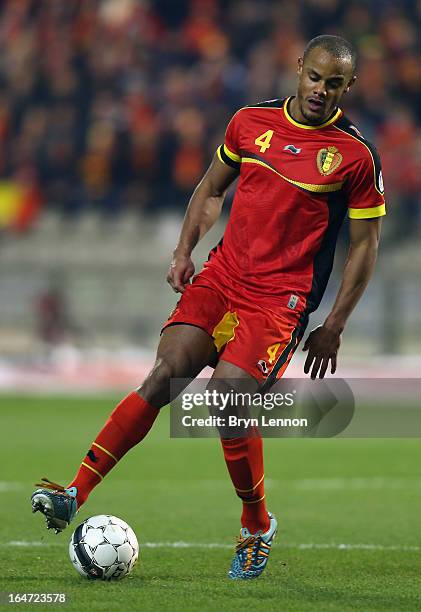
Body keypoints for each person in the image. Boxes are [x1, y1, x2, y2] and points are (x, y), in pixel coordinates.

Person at [31, 35, 385, 580]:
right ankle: (74, 493)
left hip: (280, 300)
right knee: (163, 375)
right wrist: (183, 250)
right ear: (298, 70)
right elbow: (212, 187)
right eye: (314, 77)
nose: (321, 90)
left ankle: (256, 524)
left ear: (348, 86)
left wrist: (334, 323)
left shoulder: (356, 155)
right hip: (223, 277)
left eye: (334, 83)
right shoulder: (249, 122)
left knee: (226, 404)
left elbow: (364, 244)